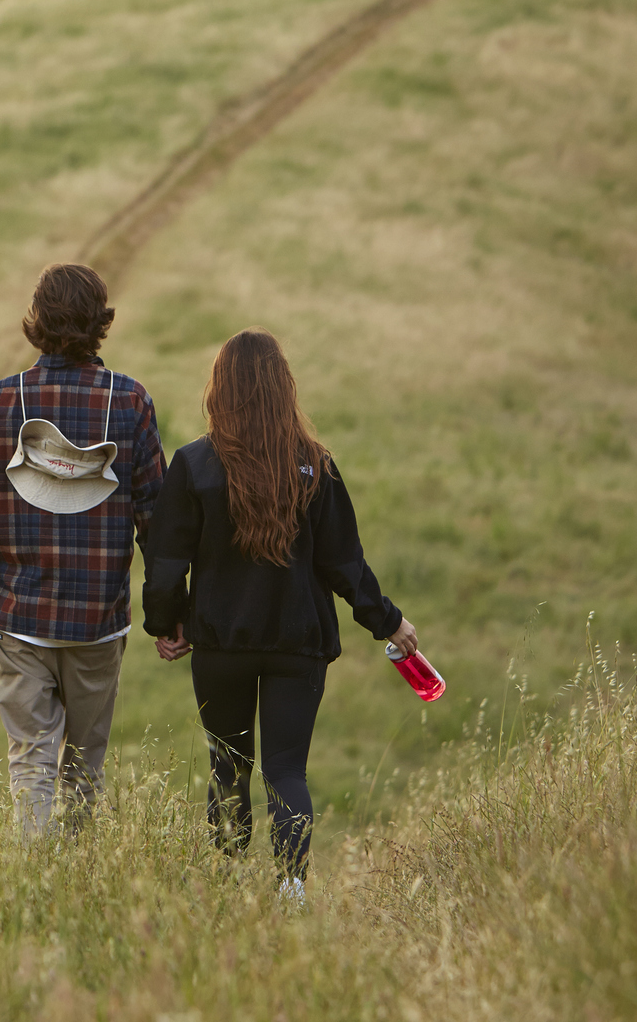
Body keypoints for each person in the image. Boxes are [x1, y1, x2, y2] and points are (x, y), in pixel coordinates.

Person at [142, 329, 417, 898]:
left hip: (221, 645)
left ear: (220, 390)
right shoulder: (316, 465)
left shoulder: (195, 465)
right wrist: (388, 622)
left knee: (229, 769)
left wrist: (166, 623)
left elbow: (166, 562)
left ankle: (228, 888)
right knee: (287, 771)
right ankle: (290, 889)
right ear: (283, 389)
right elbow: (346, 565)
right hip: (299, 644)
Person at [0, 263, 165, 835]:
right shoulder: (129, 402)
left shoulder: (2, 401)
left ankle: (35, 884)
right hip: (98, 623)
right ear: (100, 324)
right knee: (85, 768)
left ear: (37, 320)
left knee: (31, 764)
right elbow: (156, 524)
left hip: (21, 620)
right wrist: (170, 613)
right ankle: (75, 883)